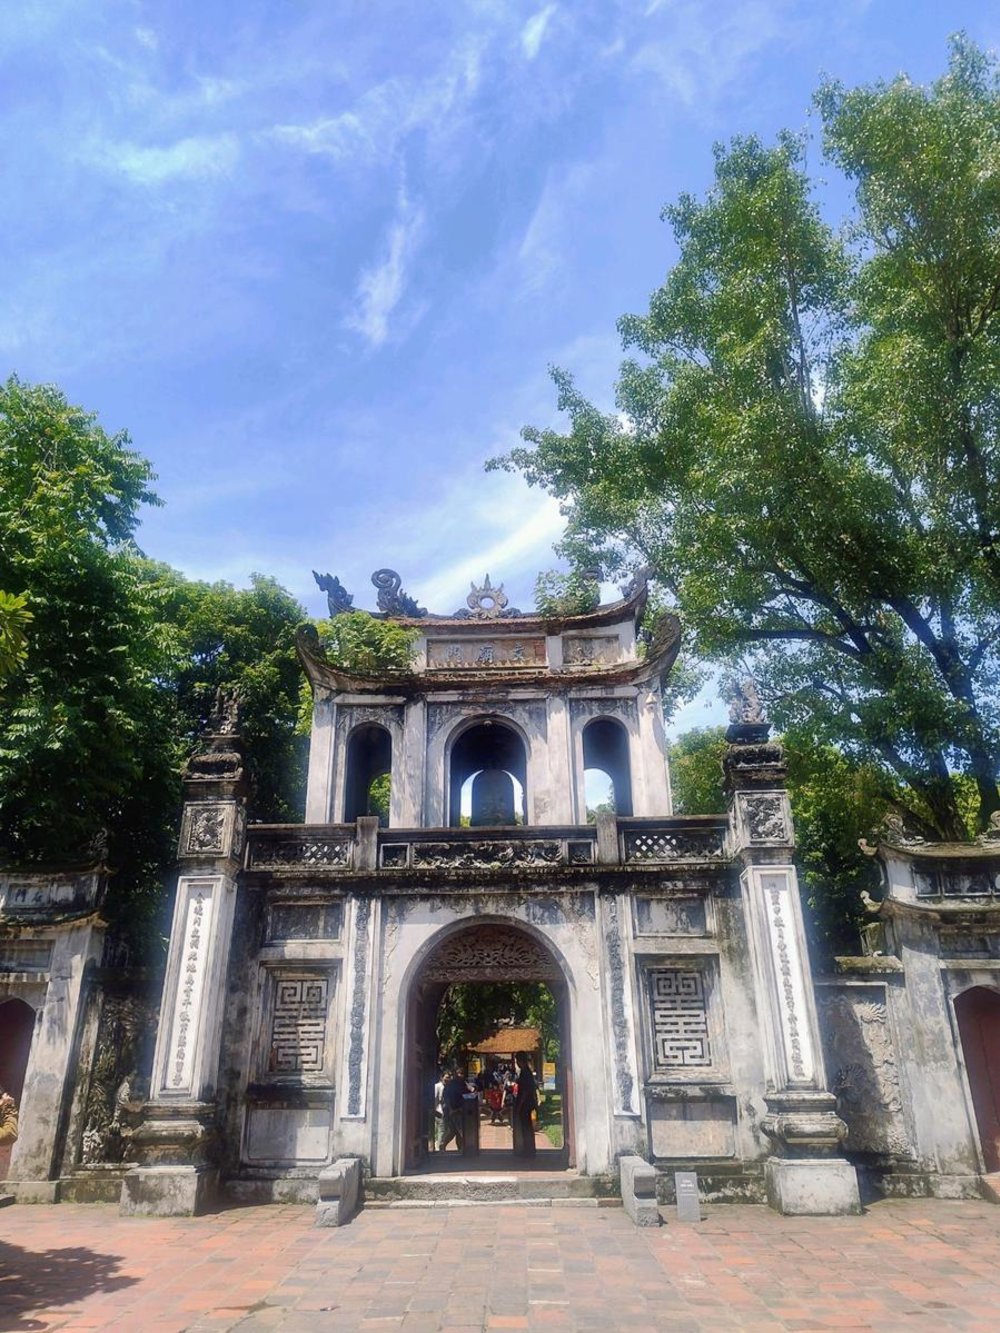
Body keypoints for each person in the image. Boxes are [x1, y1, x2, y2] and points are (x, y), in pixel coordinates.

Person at [511, 1052, 538, 1158]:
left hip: (526, 1104)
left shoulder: (525, 1072)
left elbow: (525, 1091)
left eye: (518, 1061)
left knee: (526, 1128)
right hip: (528, 1103)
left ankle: (529, 1151)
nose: (517, 1063)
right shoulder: (526, 1072)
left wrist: (520, 1105)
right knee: (526, 1128)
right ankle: (529, 1150)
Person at [438, 1069, 466, 1152]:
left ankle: (456, 1147)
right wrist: (450, 1109)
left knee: (454, 1131)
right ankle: (446, 1145)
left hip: (460, 1110)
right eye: (459, 1073)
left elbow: (467, 1092)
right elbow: (446, 1099)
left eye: (462, 1073)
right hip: (453, 1111)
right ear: (456, 1074)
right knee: (459, 1130)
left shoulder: (462, 1084)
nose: (461, 1075)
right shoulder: (450, 1085)